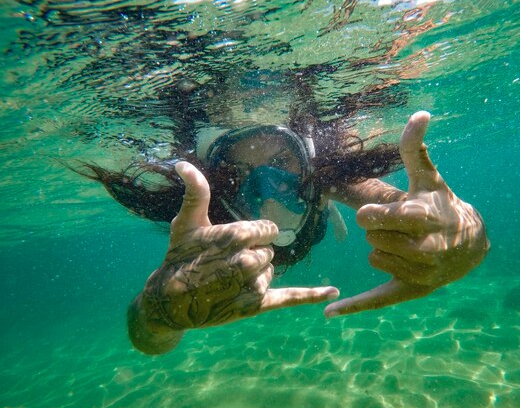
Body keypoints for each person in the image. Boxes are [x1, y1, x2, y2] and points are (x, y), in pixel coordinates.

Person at [95, 110, 488, 355]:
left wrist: (467, 239)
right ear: (217, 178)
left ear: (305, 164)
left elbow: (403, 207)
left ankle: (326, 212)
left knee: (329, 199)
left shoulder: (323, 177)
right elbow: (148, 342)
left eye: (282, 162)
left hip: (319, 205)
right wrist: (160, 311)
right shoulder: (201, 218)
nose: (267, 186)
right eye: (239, 173)